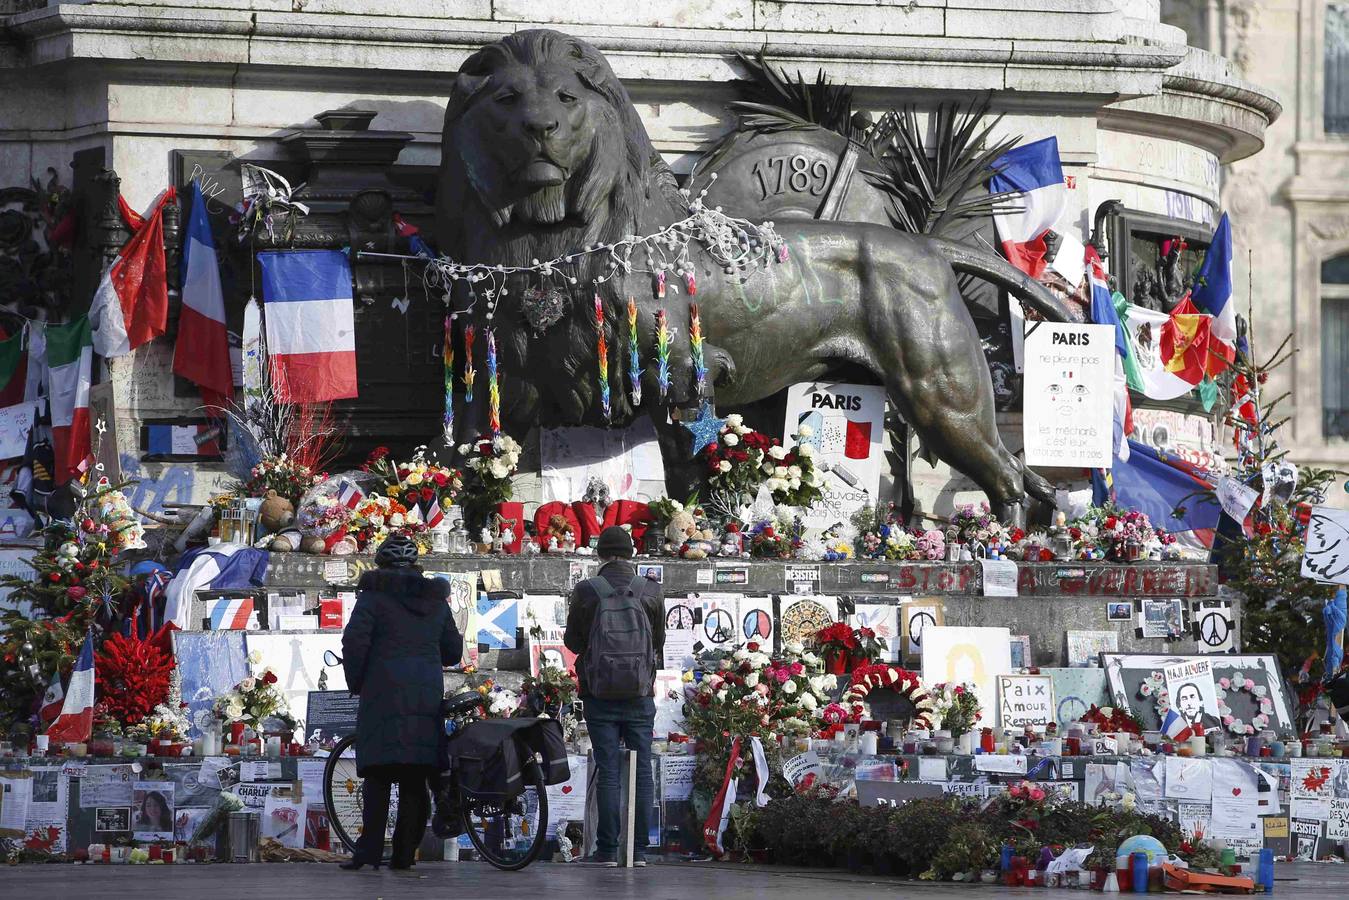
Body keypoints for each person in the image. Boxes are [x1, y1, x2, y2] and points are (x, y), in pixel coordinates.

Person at [339, 533, 462, 871]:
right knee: (415, 777)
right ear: (415, 564)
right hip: (424, 696)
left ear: (380, 563)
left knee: (378, 775)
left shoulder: (373, 597)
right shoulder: (436, 600)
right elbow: (453, 651)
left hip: (382, 693)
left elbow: (354, 641)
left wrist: (357, 680)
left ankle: (368, 853)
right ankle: (404, 855)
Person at [564, 525, 664, 867]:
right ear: (632, 554)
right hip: (639, 694)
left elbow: (574, 643)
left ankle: (606, 851)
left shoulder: (587, 590)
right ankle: (638, 851)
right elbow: (658, 643)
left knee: (608, 769)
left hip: (599, 694)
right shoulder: (650, 590)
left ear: (599, 554)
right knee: (642, 771)